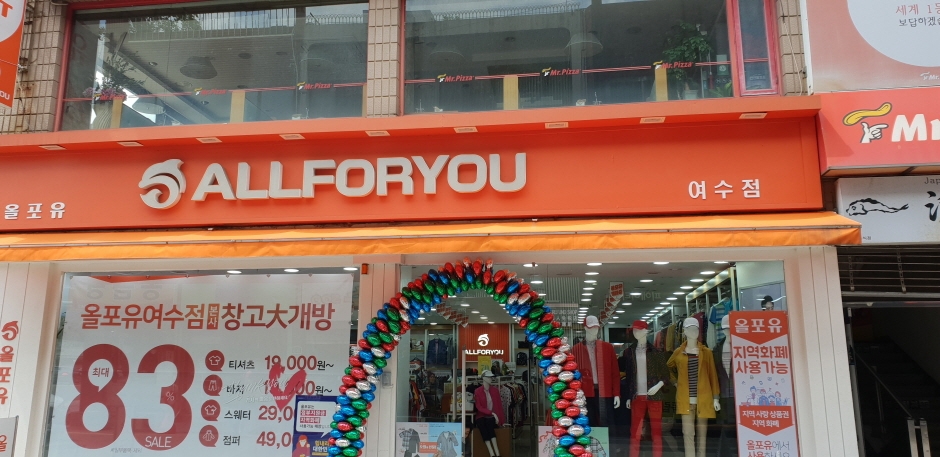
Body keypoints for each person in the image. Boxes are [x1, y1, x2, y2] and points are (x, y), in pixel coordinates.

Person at [474, 370, 505, 457]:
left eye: (491, 377)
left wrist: (501, 420)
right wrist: (492, 413)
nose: (491, 379)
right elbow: (479, 407)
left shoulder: (495, 391)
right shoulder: (477, 391)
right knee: (482, 425)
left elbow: (499, 406)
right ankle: (492, 453)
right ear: (484, 378)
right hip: (481, 415)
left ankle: (497, 453)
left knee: (490, 424)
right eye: (489, 377)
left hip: (491, 417)